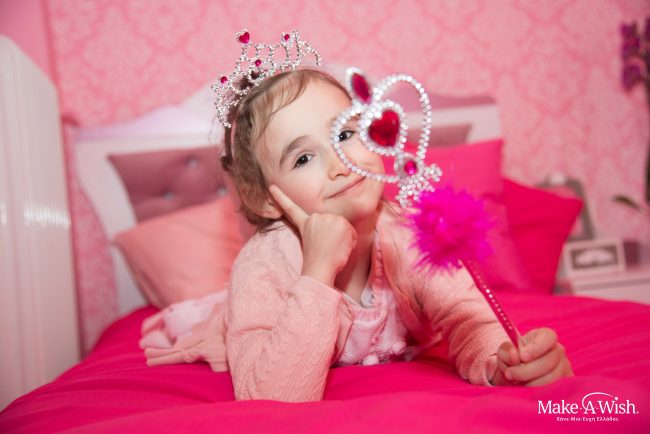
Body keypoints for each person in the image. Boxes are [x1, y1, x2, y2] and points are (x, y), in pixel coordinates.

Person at [140, 32, 573, 403]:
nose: (340, 164)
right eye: (304, 158)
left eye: (345, 133)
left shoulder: (407, 233)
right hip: (269, 320)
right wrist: (316, 272)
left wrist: (502, 362)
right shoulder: (263, 266)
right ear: (268, 200)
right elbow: (270, 398)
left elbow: (467, 318)